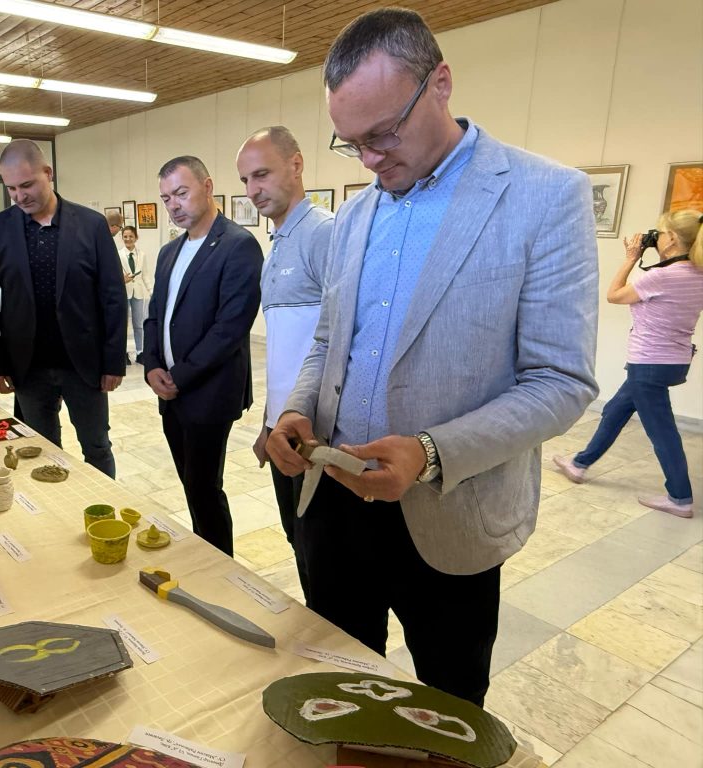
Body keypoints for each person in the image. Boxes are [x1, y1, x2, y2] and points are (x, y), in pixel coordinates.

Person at [265, 7, 598, 707]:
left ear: (440, 84)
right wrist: (297, 407)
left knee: (446, 704)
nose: (369, 159)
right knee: (339, 682)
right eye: (351, 142)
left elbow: (560, 380)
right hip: (335, 499)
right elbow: (328, 341)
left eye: (383, 133)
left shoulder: (544, 197)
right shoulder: (355, 214)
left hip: (451, 514)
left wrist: (430, 452)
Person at [0, 139, 127, 478]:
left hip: (83, 364)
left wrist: (113, 360)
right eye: (11, 188)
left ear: (48, 173)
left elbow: (113, 296)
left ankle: (105, 505)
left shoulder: (90, 224)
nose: (19, 195)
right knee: (41, 450)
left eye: (27, 185)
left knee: (97, 446)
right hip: (28, 367)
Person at [142, 156, 263, 556]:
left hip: (208, 392)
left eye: (181, 193)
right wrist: (152, 365)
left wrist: (179, 377)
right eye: (166, 198)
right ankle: (203, 553)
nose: (173, 205)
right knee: (190, 483)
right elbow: (155, 314)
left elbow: (230, 328)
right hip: (169, 390)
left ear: (207, 187)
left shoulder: (238, 245)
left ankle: (219, 566)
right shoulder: (169, 251)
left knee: (205, 487)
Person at [236, 125, 334, 596]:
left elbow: (339, 341)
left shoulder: (323, 234)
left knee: (322, 555)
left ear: (296, 165)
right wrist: (268, 422)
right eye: (245, 180)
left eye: (261, 174)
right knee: (298, 541)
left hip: (315, 431)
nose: (252, 190)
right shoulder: (276, 245)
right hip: (284, 429)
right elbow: (284, 351)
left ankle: (327, 637)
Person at [555, 210, 703, 518]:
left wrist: (631, 258)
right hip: (674, 361)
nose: (656, 238)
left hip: (649, 363)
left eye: (660, 234)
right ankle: (579, 464)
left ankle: (680, 498)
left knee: (662, 432)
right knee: (615, 410)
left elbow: (614, 295)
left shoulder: (662, 276)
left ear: (671, 239)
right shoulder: (696, 273)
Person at [119, 225, 154, 365]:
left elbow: (145, 275)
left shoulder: (142, 255)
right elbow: (113, 276)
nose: (128, 239)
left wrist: (152, 292)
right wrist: (122, 280)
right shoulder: (118, 254)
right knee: (123, 325)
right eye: (125, 237)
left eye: (131, 236)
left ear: (136, 238)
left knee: (138, 324)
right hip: (123, 293)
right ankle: (123, 353)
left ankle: (140, 352)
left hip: (138, 293)